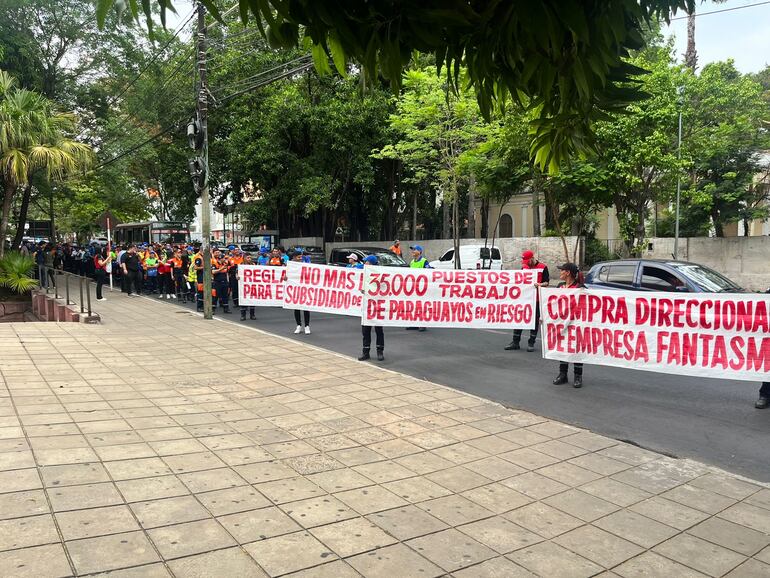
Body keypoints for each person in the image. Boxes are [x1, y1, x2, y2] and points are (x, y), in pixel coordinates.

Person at [506, 249, 549, 352]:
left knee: (534, 321)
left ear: (532, 258)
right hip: (524, 298)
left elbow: (547, 282)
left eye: (527, 262)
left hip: (537, 299)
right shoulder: (524, 267)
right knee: (519, 319)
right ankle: (515, 342)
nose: (526, 264)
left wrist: (540, 284)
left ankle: (531, 343)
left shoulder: (543, 267)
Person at [552, 262, 584, 388]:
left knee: (576, 349)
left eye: (562, 270)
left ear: (568, 273)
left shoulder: (580, 288)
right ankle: (563, 374)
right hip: (562, 323)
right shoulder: (560, 286)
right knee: (563, 348)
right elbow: (552, 303)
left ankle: (578, 376)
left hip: (576, 324)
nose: (560, 272)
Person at [359, 255, 384, 361]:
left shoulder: (380, 275)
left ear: (372, 263)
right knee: (365, 331)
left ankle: (380, 351)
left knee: (379, 330)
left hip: (377, 305)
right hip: (366, 306)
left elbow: (384, 288)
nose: (365, 264)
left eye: (367, 262)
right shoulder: (363, 274)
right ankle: (366, 352)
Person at [408, 246, 430, 331]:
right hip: (413, 288)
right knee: (413, 305)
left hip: (421, 288)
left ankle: (422, 323)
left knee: (421, 306)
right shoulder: (412, 262)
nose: (413, 251)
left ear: (419, 251)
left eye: (414, 250)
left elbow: (429, 272)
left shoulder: (424, 261)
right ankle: (414, 323)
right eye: (412, 250)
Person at [291, 251, 311, 334]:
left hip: (304, 288)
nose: (300, 258)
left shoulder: (305, 265)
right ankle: (298, 325)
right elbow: (287, 276)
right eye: (299, 257)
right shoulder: (290, 265)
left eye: (301, 257)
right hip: (295, 289)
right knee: (297, 308)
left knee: (306, 308)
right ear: (295, 257)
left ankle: (307, 326)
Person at [238, 254, 257, 321]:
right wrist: (237, 277)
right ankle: (243, 315)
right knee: (243, 300)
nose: (249, 259)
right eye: (248, 257)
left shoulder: (253, 265)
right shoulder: (241, 265)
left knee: (252, 300)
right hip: (244, 285)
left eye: (250, 258)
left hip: (252, 285)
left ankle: (252, 315)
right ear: (244, 258)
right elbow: (237, 273)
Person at [212, 250, 231, 314]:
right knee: (215, 296)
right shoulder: (215, 264)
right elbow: (213, 272)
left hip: (225, 282)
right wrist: (221, 269)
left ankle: (226, 308)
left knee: (225, 296)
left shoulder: (225, 264)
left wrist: (228, 282)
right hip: (217, 282)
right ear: (221, 258)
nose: (225, 260)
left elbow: (227, 273)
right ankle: (213, 309)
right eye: (224, 259)